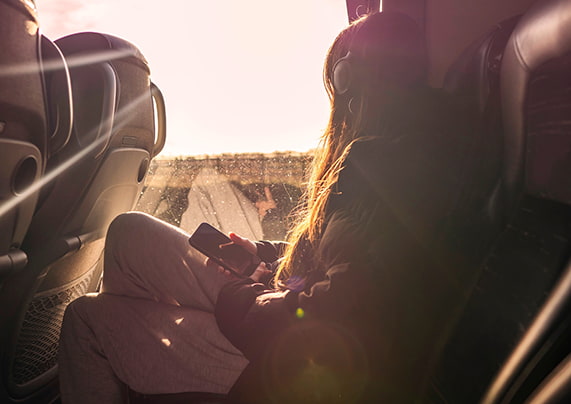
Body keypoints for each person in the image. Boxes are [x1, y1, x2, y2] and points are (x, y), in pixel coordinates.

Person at [59, 11, 497, 404]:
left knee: (88, 318)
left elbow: (351, 307)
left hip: (286, 360)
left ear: (351, 80)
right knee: (128, 232)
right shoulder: (410, 153)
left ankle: (143, 364)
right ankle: (148, 371)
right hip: (282, 306)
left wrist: (249, 296)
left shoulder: (386, 163)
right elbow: (356, 260)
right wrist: (267, 254)